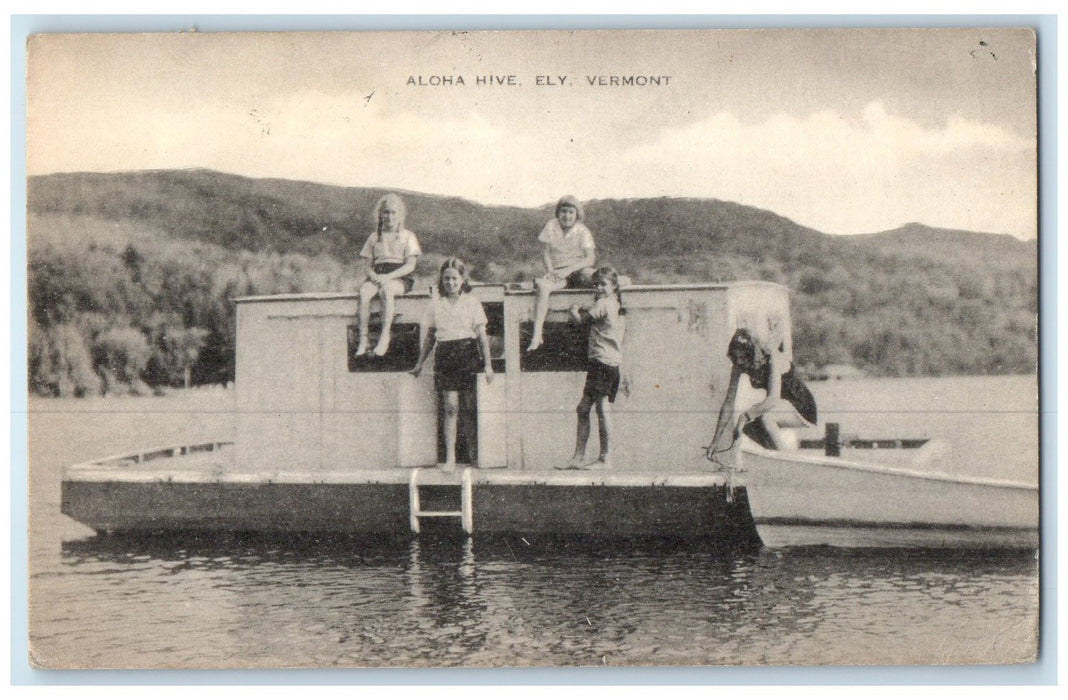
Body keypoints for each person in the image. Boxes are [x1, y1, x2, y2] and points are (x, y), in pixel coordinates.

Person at [411, 258, 494, 471]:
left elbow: (482, 337)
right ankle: (450, 458)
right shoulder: (435, 303)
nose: (450, 282)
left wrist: (488, 365)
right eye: (446, 278)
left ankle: (475, 455)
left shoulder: (472, 302)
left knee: (468, 407)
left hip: (467, 353)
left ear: (462, 279)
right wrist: (419, 363)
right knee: (450, 407)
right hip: (445, 354)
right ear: (442, 280)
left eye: (454, 278)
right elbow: (429, 337)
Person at [706, 327, 817, 463]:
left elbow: (772, 400)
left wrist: (744, 416)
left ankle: (789, 463)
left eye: (743, 358)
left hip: (802, 405)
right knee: (747, 428)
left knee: (763, 417)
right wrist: (715, 442)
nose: (740, 363)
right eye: (736, 359)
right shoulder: (739, 364)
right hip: (782, 407)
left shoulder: (772, 358)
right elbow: (729, 402)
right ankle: (777, 459)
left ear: (753, 353)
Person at [557, 266, 626, 470]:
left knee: (595, 409)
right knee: (589, 408)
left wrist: (572, 309)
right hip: (609, 363)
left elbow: (580, 320)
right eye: (596, 284)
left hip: (602, 362)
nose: (599, 287)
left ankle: (602, 458)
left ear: (613, 286)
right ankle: (583, 457)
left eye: (603, 284)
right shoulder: (615, 304)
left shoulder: (604, 303)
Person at [526, 195, 597, 352]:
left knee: (597, 277)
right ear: (558, 213)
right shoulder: (551, 226)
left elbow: (590, 258)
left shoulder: (582, 230)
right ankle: (537, 334)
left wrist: (570, 270)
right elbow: (545, 253)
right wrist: (551, 271)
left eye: (571, 212)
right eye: (563, 211)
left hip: (578, 269)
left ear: (577, 214)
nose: (567, 216)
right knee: (543, 287)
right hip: (558, 272)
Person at [355, 193, 422, 357]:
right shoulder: (374, 237)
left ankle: (385, 336)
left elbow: (410, 265)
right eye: (386, 212)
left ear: (400, 215)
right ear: (380, 214)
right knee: (364, 293)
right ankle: (364, 339)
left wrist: (388, 277)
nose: (389, 216)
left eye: (393, 212)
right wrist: (373, 275)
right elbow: (367, 265)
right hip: (378, 275)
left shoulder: (408, 236)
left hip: (399, 276)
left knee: (386, 290)